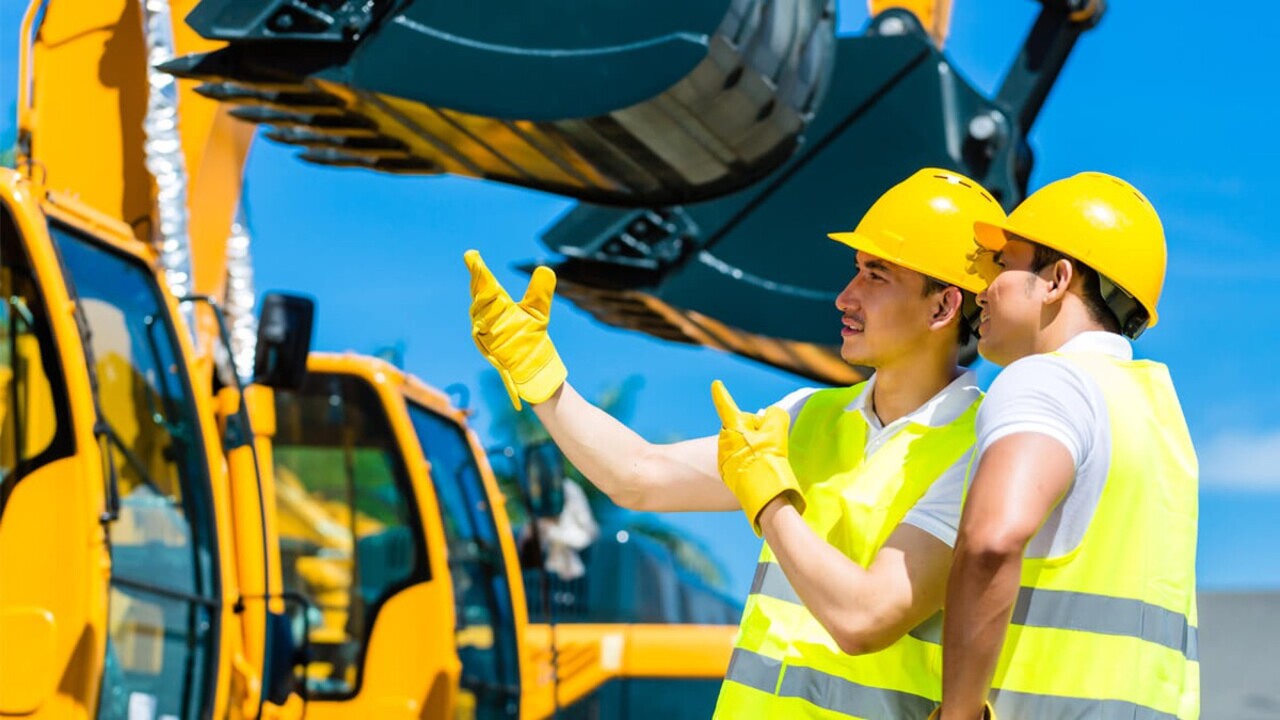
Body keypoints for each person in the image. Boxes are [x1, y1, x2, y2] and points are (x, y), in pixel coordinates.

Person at [466, 168, 1007, 718]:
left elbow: (864, 620)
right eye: (856, 270)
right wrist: (540, 377)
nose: (846, 297)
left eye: (877, 275)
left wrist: (768, 500)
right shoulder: (804, 418)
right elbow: (637, 476)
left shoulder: (983, 451)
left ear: (943, 307)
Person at [938, 172, 1198, 720]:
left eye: (1004, 266)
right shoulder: (1158, 416)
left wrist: (958, 714)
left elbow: (991, 541)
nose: (982, 290)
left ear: (1057, 279)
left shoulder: (1048, 380)